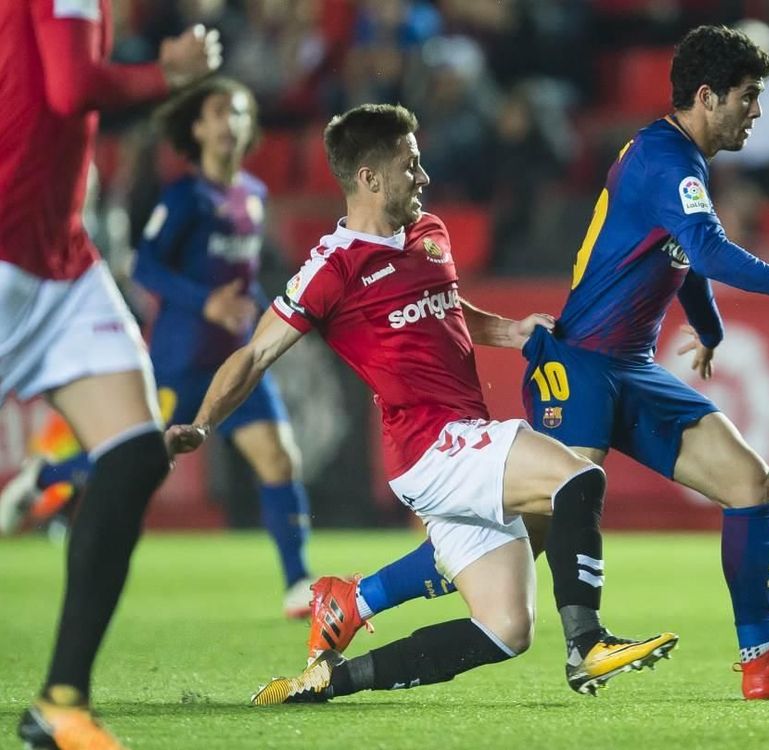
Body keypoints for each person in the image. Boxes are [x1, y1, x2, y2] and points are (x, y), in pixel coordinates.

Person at [306, 25, 769, 701]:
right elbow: (713, 252)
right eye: (749, 97)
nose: (757, 111)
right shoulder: (664, 159)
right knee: (528, 534)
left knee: (751, 485)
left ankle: (763, 660)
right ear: (707, 96)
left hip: (630, 369)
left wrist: (709, 327)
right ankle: (365, 598)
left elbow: (683, 254)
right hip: (577, 367)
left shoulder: (684, 161)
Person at [166, 104, 677, 704]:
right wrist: (202, 425)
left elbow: (448, 309)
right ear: (369, 178)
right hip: (429, 445)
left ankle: (333, 677)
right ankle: (587, 644)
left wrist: (511, 333)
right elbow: (253, 356)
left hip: (458, 437)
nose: (424, 175)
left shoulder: (429, 231)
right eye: (411, 164)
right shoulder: (332, 267)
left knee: (506, 628)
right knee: (576, 480)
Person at [1, 77, 317, 618]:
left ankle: (298, 583)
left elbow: (239, 283)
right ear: (197, 127)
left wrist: (269, 312)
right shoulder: (184, 198)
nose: (230, 123)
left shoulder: (253, 196)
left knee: (279, 458)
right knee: (141, 459)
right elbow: (145, 266)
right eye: (219, 113)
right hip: (179, 360)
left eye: (239, 113)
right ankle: (45, 477)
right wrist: (204, 303)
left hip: (237, 361)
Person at [0, 1, 220, 746]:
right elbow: (67, 89)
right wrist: (171, 72)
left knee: (131, 455)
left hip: (57, 259)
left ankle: (61, 702)